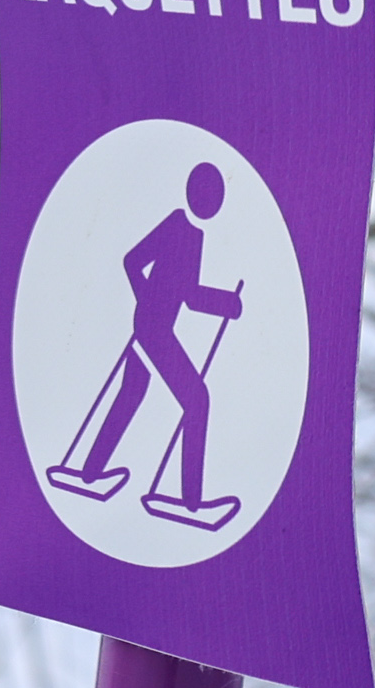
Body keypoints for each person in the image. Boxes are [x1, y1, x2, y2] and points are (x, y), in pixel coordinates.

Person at [60, 162, 246, 513]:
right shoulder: (177, 225)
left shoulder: (196, 236)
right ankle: (190, 500)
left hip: (155, 324)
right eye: (207, 193)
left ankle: (89, 472)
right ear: (194, 194)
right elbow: (132, 261)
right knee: (198, 401)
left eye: (216, 196)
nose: (211, 201)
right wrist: (148, 302)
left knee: (131, 395)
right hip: (152, 327)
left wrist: (227, 304)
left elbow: (189, 296)